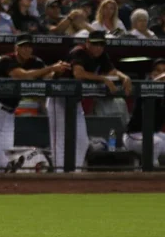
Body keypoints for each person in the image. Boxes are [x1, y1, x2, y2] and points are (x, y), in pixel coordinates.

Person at [46, 31, 132, 171]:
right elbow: (78, 74)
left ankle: (76, 171)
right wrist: (103, 79)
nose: (98, 47)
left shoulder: (102, 55)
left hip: (75, 100)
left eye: (101, 44)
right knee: (59, 139)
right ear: (87, 43)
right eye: (94, 44)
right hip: (59, 97)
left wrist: (124, 77)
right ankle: (59, 174)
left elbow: (112, 71)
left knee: (82, 141)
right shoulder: (79, 52)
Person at [0, 35, 69, 169]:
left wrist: (58, 71)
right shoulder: (6, 59)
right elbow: (21, 75)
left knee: (6, 150)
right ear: (16, 48)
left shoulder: (36, 62)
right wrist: (51, 68)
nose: (27, 50)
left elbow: (47, 77)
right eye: (23, 47)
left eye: (29, 47)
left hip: (10, 110)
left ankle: (2, 179)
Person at [123, 59, 165, 168]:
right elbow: (150, 85)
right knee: (157, 143)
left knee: (157, 141)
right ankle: (148, 172)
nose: (162, 74)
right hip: (134, 135)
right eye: (158, 71)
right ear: (152, 73)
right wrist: (158, 80)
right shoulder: (144, 86)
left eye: (164, 71)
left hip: (154, 134)